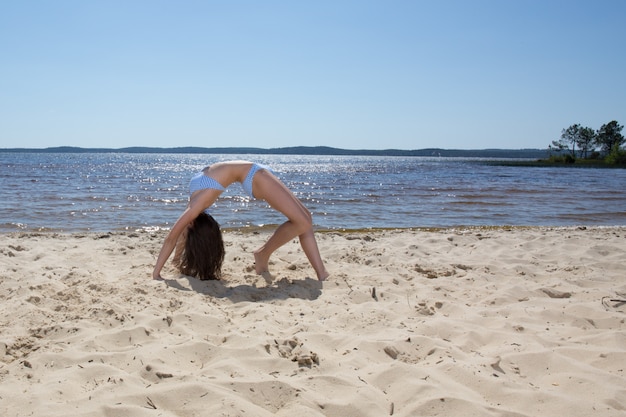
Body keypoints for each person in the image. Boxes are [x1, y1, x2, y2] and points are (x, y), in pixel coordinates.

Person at [153, 161, 329, 281]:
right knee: (303, 222)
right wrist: (159, 272)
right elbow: (175, 236)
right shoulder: (197, 204)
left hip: (253, 171)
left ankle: (319, 272)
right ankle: (264, 254)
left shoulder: (195, 208)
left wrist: (164, 268)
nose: (185, 225)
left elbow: (176, 236)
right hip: (255, 175)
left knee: (305, 218)